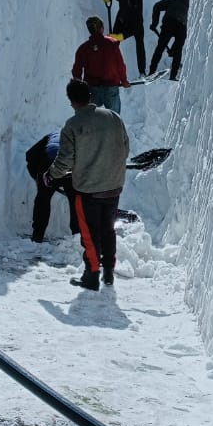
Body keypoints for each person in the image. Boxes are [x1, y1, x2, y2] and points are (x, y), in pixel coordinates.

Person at [46, 78, 130, 290]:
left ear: (72, 102)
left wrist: (51, 175)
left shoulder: (72, 126)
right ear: (90, 95)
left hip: (88, 190)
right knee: (108, 229)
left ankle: (91, 275)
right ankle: (109, 273)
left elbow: (65, 161)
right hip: (113, 186)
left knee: (90, 234)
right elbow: (125, 147)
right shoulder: (113, 117)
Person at [25, 131, 78, 243]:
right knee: (75, 202)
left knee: (43, 199)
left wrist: (38, 178)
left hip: (49, 162)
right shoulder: (76, 139)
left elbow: (30, 155)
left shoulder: (51, 136)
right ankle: (77, 238)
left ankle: (37, 236)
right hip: (71, 166)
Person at [71, 15, 130, 113]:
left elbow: (76, 72)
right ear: (101, 28)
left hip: (92, 90)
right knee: (114, 119)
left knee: (89, 119)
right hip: (111, 88)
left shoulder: (83, 49)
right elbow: (120, 65)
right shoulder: (112, 44)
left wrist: (79, 90)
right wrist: (124, 80)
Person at [102, 0, 146, 76]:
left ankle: (142, 71)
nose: (131, 4)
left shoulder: (138, 16)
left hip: (134, 28)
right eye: (130, 2)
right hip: (120, 21)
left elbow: (131, 31)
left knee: (140, 45)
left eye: (133, 4)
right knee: (113, 44)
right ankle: (108, 68)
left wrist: (119, 37)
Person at [149, 0, 190, 79]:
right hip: (182, 26)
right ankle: (173, 76)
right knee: (178, 52)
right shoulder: (190, 9)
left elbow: (157, 6)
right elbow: (184, 35)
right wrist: (173, 50)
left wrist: (154, 23)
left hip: (169, 23)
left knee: (160, 48)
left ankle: (151, 72)